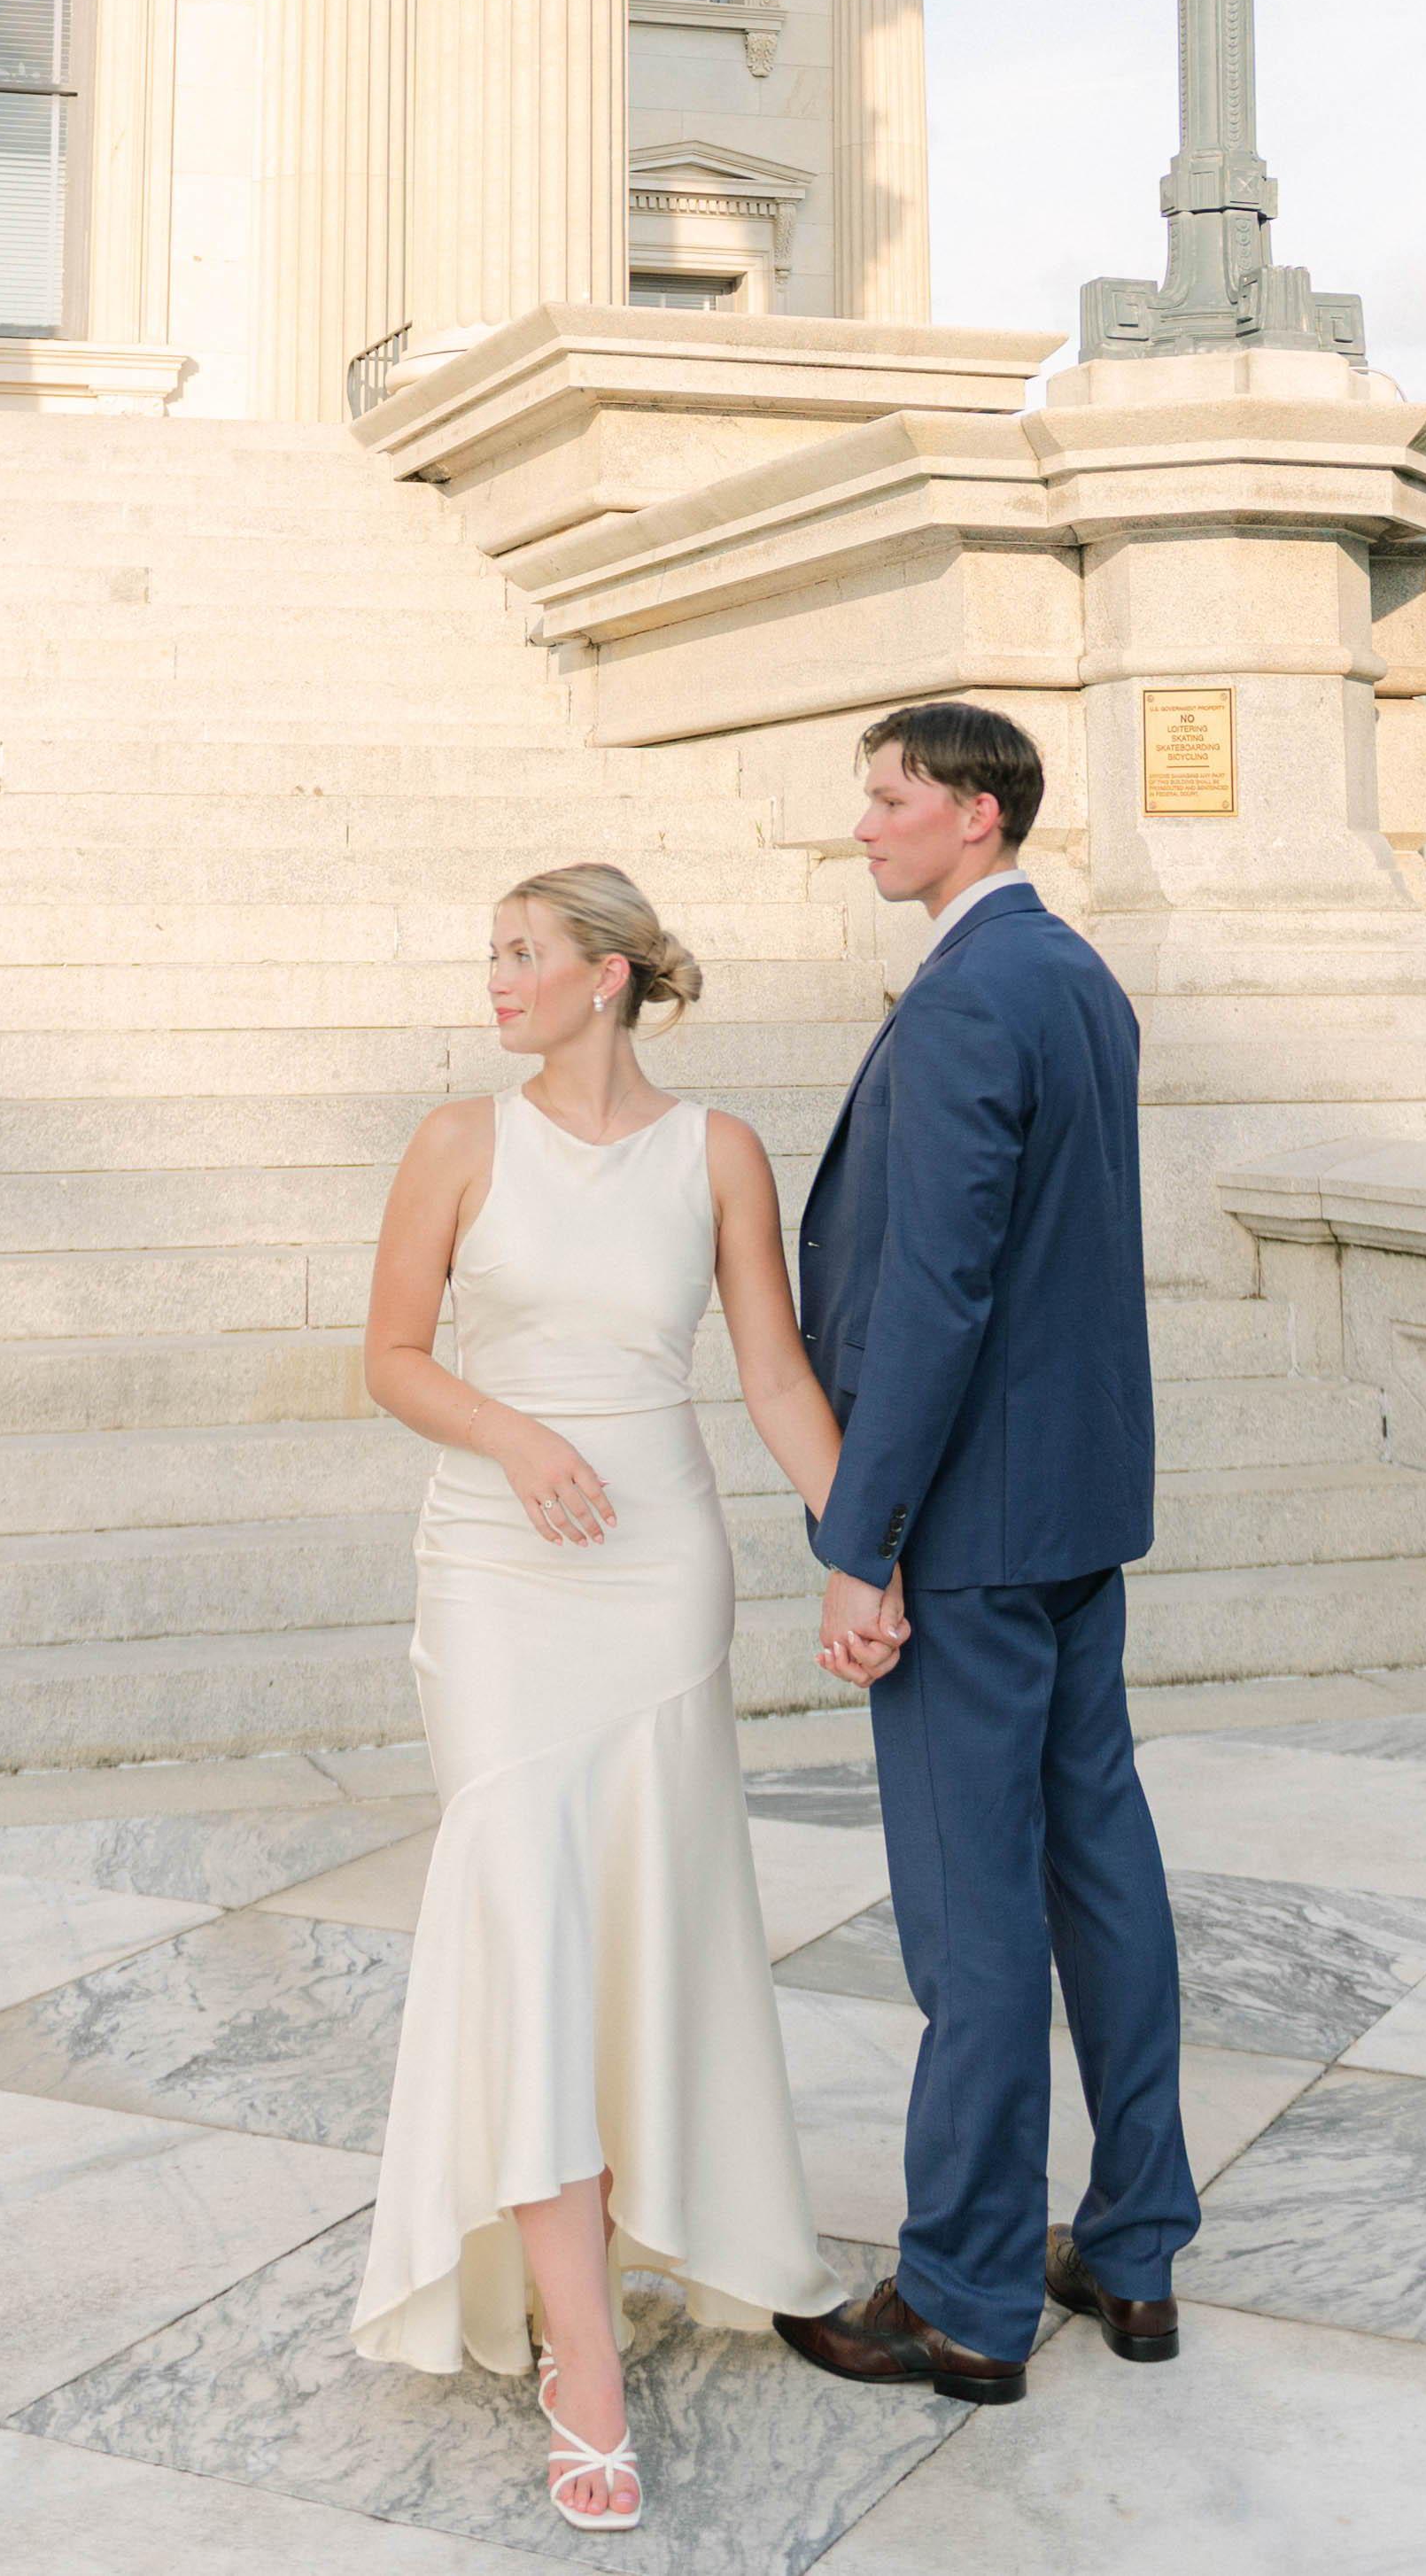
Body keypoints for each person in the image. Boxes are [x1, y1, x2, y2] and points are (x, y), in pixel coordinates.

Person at [349, 863, 849, 2533]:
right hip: (499, 1575)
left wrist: (860, 1549)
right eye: (490, 952)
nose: (496, 979)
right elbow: (392, 1356)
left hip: (658, 1577)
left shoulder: (718, 1153)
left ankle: (631, 2242)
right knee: (528, 1924)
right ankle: (584, 2363)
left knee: (640, 1922)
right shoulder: (457, 1142)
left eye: (524, 953)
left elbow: (771, 1370)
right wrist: (517, 1437)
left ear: (612, 975)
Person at [771, 702, 1194, 2403]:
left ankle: (962, 2294)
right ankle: (1136, 2252)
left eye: (889, 799)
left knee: (974, 1911)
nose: (864, 825)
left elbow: (935, 1294)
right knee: (1102, 1868)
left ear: (974, 813)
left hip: (970, 1524)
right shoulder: (1078, 976)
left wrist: (860, 1537)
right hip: (1075, 1505)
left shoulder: (966, 997)